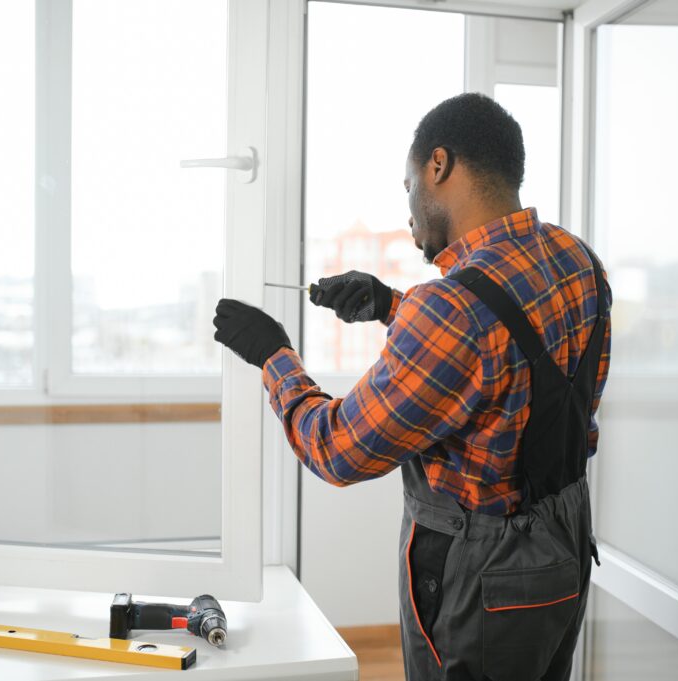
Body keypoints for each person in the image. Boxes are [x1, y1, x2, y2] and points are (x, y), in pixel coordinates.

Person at [212, 92, 611, 681]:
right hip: (564, 547)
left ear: (439, 166)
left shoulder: (450, 310)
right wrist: (391, 305)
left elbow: (337, 449)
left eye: (408, 187)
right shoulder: (576, 259)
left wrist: (274, 355)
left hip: (487, 578)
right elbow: (511, 356)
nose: (408, 214)